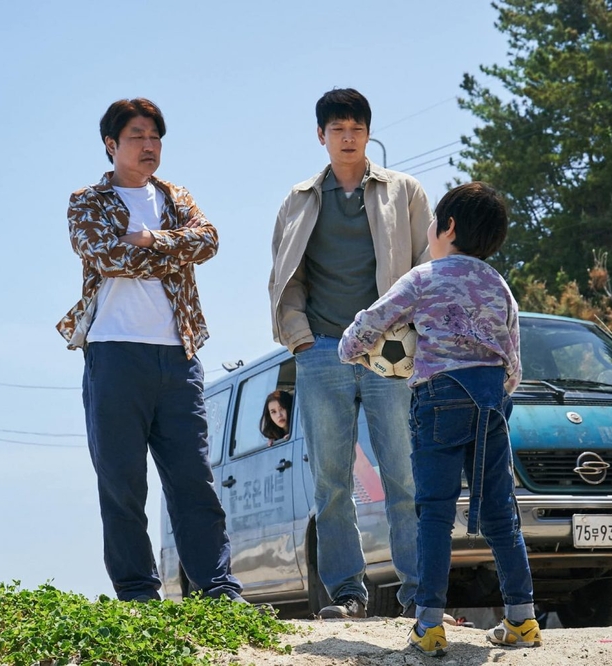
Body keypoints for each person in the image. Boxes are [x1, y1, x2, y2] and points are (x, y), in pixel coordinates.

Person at [338, 182, 541, 656]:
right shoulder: (499, 285)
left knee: (434, 511)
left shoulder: (424, 277)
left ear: (447, 227)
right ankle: (523, 618)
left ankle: (429, 624)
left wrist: (350, 348)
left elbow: (373, 320)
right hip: (492, 401)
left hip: (439, 399)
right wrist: (497, 393)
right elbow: (514, 361)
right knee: (500, 511)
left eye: (433, 221)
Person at [56, 98, 243, 603]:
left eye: (155, 136)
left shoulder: (175, 196)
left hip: (179, 354)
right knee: (121, 481)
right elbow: (105, 255)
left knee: (193, 478)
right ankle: (138, 592)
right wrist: (171, 250)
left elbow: (208, 241)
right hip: (114, 353)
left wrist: (150, 239)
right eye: (137, 136)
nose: (148, 145)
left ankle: (217, 588)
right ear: (111, 144)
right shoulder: (88, 201)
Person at [268, 88, 433, 619]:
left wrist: (418, 335)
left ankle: (420, 596)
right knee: (331, 482)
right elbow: (284, 277)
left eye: (356, 129)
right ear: (321, 135)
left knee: (404, 475)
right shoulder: (298, 200)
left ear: (368, 133)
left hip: (392, 351)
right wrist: (299, 338)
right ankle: (347, 594)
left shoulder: (404, 191)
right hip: (322, 351)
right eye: (337, 129)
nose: (347, 138)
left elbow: (426, 264)